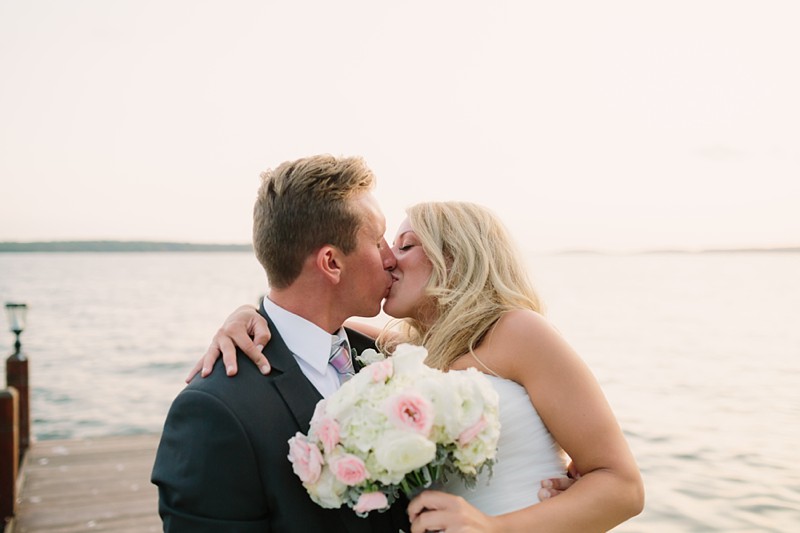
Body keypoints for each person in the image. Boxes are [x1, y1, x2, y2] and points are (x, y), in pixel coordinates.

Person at [201, 201, 645, 531]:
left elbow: (623, 486)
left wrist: (494, 529)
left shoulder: (518, 331)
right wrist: (247, 315)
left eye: (406, 245)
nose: (388, 259)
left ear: (455, 256)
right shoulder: (403, 351)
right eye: (387, 245)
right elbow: (305, 320)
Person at [151, 155, 411, 532]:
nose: (390, 259)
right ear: (331, 263)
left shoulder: (383, 358)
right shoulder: (215, 411)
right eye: (377, 240)